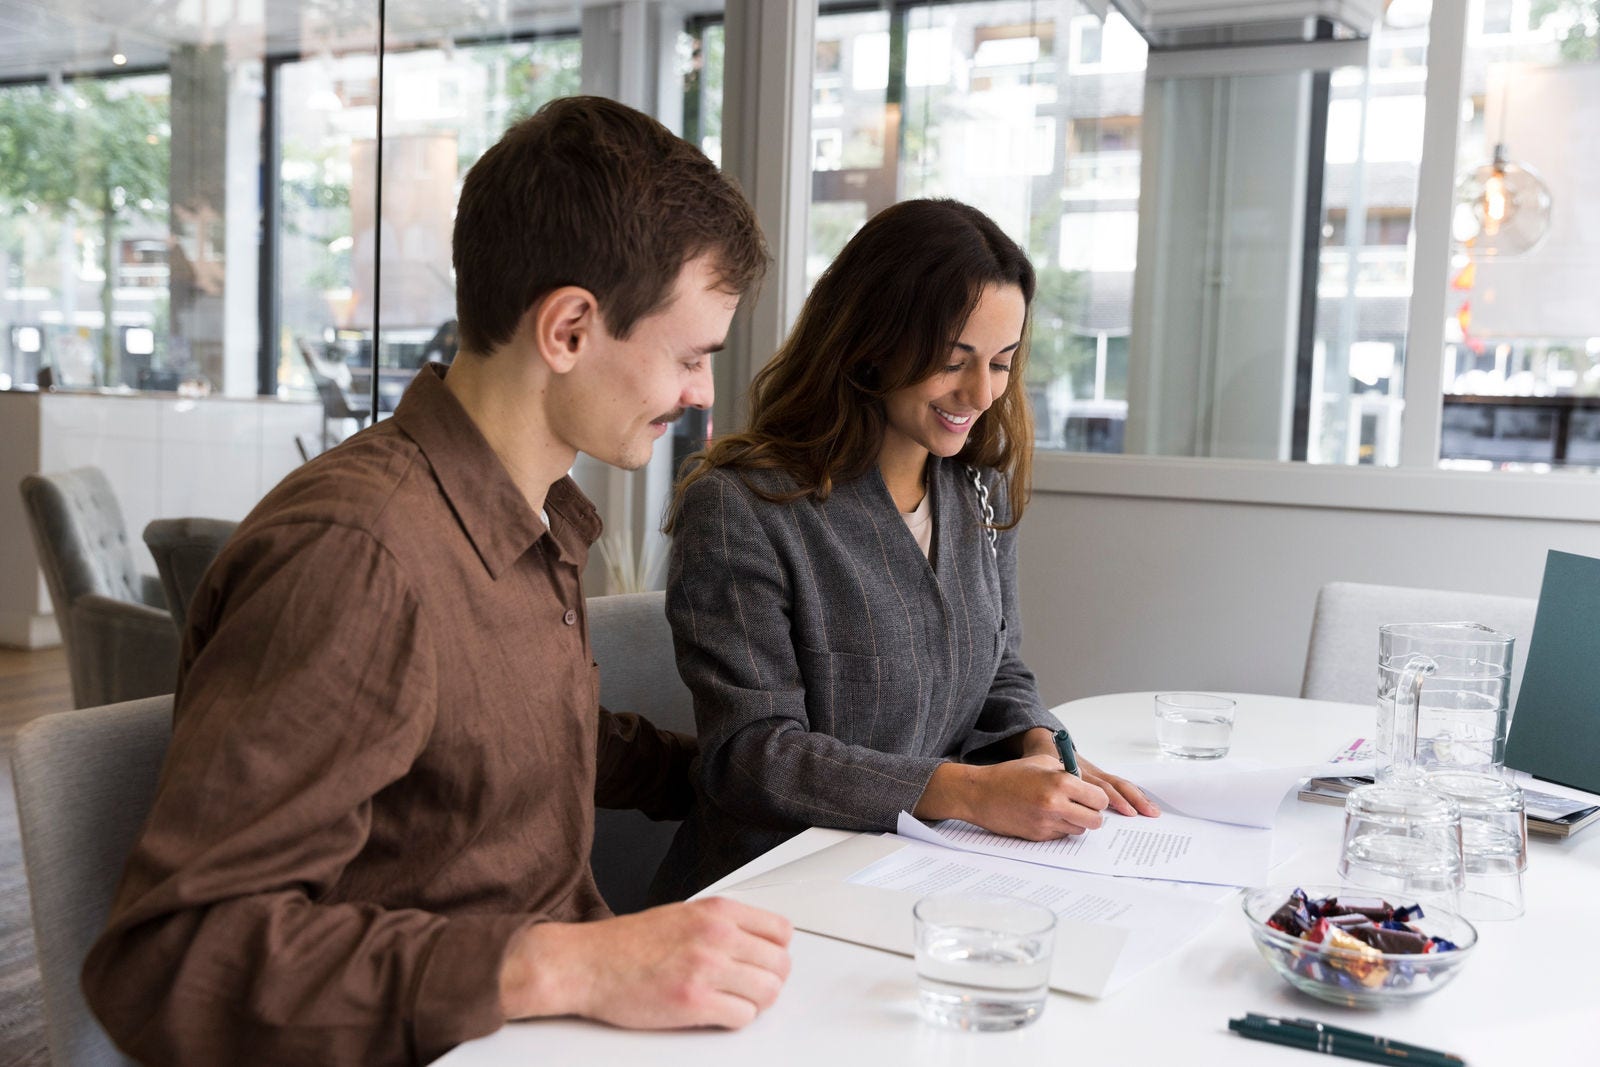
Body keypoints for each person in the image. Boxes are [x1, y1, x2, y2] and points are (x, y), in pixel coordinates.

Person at [81, 96, 792, 1066]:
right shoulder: (357, 558)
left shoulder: (528, 517)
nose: (702, 393)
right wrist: (565, 965)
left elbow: (509, 732)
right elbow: (172, 959)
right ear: (571, 329)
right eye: (691, 356)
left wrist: (737, 773)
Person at [653, 198, 1161, 900]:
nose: (980, 392)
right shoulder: (744, 508)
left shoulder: (976, 488)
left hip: (922, 875)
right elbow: (752, 755)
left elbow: (999, 665)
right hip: (773, 892)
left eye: (1002, 362)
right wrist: (973, 792)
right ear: (872, 339)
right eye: (954, 361)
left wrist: (1038, 743)